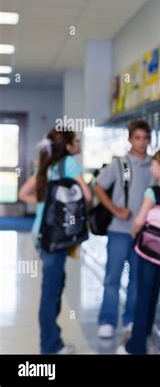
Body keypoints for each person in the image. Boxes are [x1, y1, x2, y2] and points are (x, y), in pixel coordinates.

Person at [19, 129, 92, 354]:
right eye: (76, 139)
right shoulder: (68, 163)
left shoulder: (47, 164)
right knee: (51, 289)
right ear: (69, 146)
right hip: (57, 235)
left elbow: (23, 193)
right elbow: (87, 196)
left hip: (41, 233)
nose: (79, 142)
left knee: (54, 285)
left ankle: (53, 341)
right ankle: (49, 346)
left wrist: (43, 203)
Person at [116, 148, 160, 354]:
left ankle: (135, 346)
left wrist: (135, 236)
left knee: (142, 296)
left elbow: (139, 220)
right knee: (153, 294)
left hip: (147, 252)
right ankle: (145, 332)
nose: (151, 167)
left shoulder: (152, 192)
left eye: (154, 164)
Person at [95, 120, 154, 338]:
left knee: (137, 279)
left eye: (145, 138)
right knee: (112, 277)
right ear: (130, 139)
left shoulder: (153, 165)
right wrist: (116, 210)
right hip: (119, 231)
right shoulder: (121, 164)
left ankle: (130, 320)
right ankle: (107, 321)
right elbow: (99, 187)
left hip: (143, 233)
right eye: (137, 138)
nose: (142, 142)